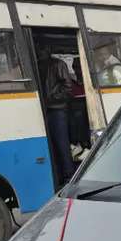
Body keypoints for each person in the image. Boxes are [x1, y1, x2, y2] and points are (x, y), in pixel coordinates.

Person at [43, 55, 75, 183]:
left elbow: (68, 87)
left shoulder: (58, 64)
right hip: (47, 108)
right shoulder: (38, 65)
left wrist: (51, 98)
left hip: (57, 109)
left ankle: (69, 176)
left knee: (62, 144)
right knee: (53, 145)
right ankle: (60, 176)